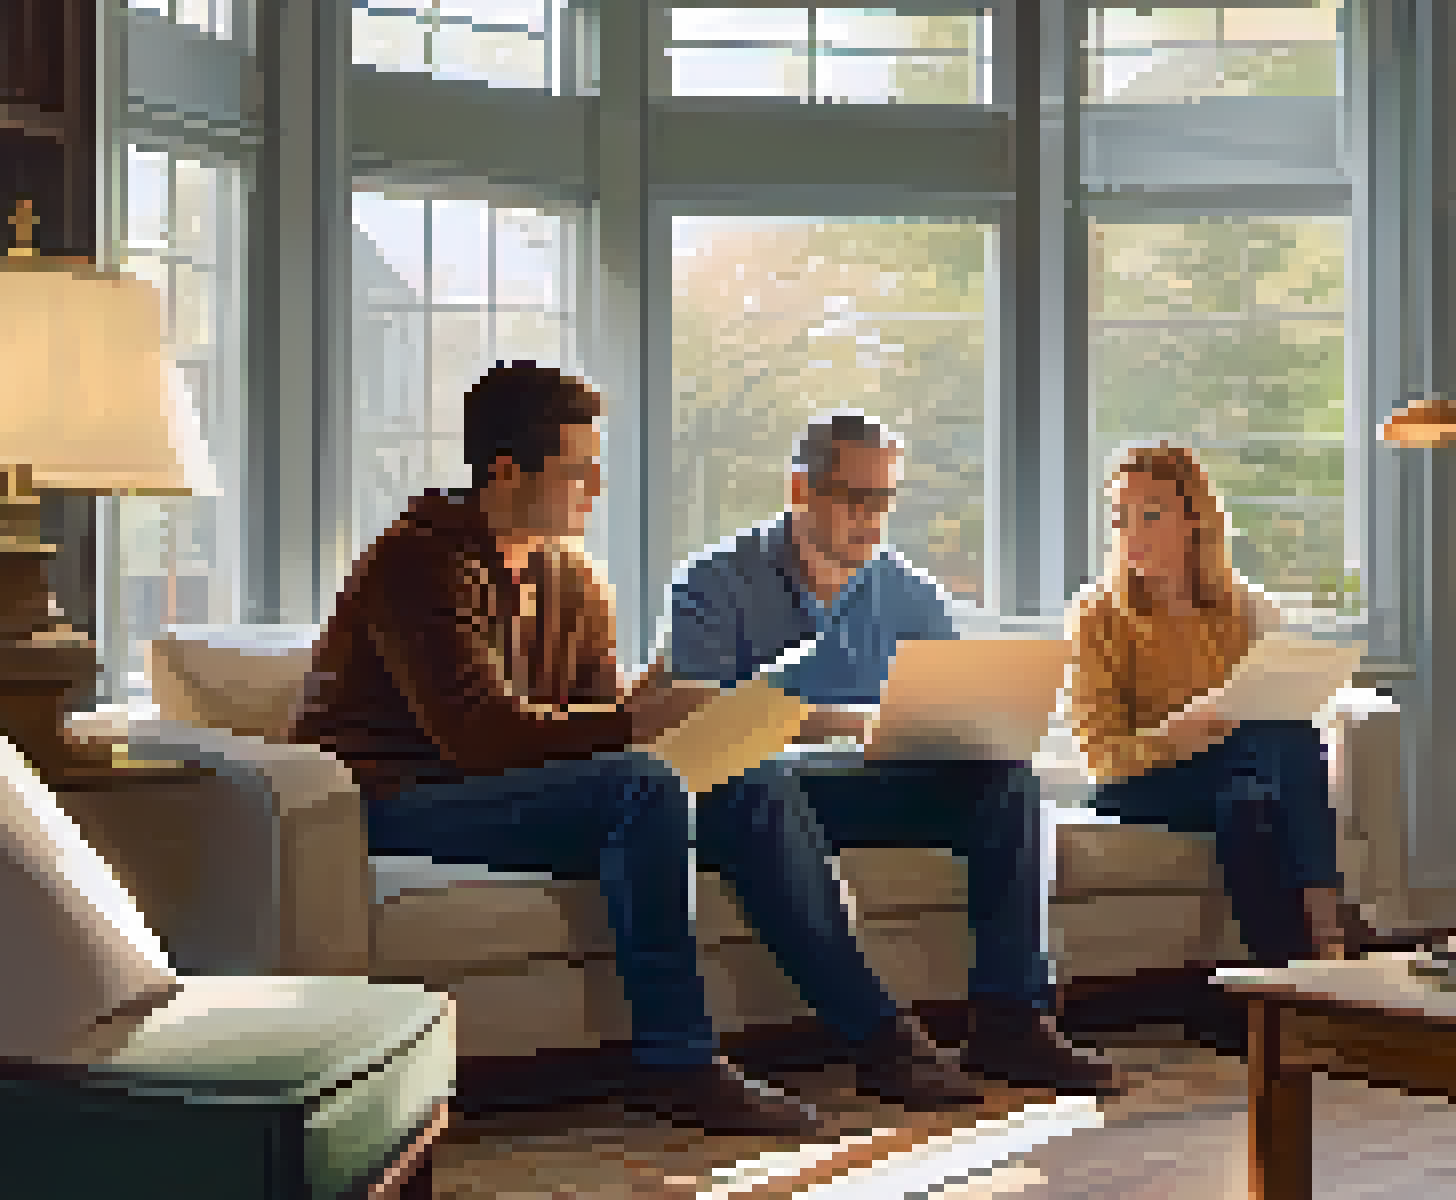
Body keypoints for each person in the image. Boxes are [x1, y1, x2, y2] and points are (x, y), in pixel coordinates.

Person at [290, 362, 831, 1136]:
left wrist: (665, 712)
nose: (596, 488)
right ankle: (676, 1065)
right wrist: (635, 723)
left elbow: (594, 719)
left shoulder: (572, 577)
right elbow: (477, 737)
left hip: (512, 795)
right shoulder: (417, 562)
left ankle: (870, 1029)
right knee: (639, 788)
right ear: (507, 471)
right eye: (580, 470)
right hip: (394, 799)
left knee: (751, 782)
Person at [676, 412, 1124, 1098]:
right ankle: (881, 1039)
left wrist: (979, 727)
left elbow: (950, 705)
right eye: (852, 498)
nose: (870, 518)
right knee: (760, 782)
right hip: (757, 798)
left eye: (882, 499)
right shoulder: (713, 582)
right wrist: (840, 721)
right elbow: (696, 721)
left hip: (864, 790)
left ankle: (1012, 1019)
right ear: (801, 489)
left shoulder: (908, 592)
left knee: (1007, 782)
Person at [1063, 443, 1352, 968]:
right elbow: (1102, 757)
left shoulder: (1239, 609)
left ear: (1193, 520)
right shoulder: (1097, 615)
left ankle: (1276, 988)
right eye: (1121, 517)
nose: (1132, 532)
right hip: (1139, 787)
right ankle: (1327, 932)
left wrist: (1226, 729)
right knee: (1274, 746)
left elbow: (1265, 713)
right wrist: (1176, 737)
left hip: (1232, 776)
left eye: (1150, 514)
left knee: (1251, 797)